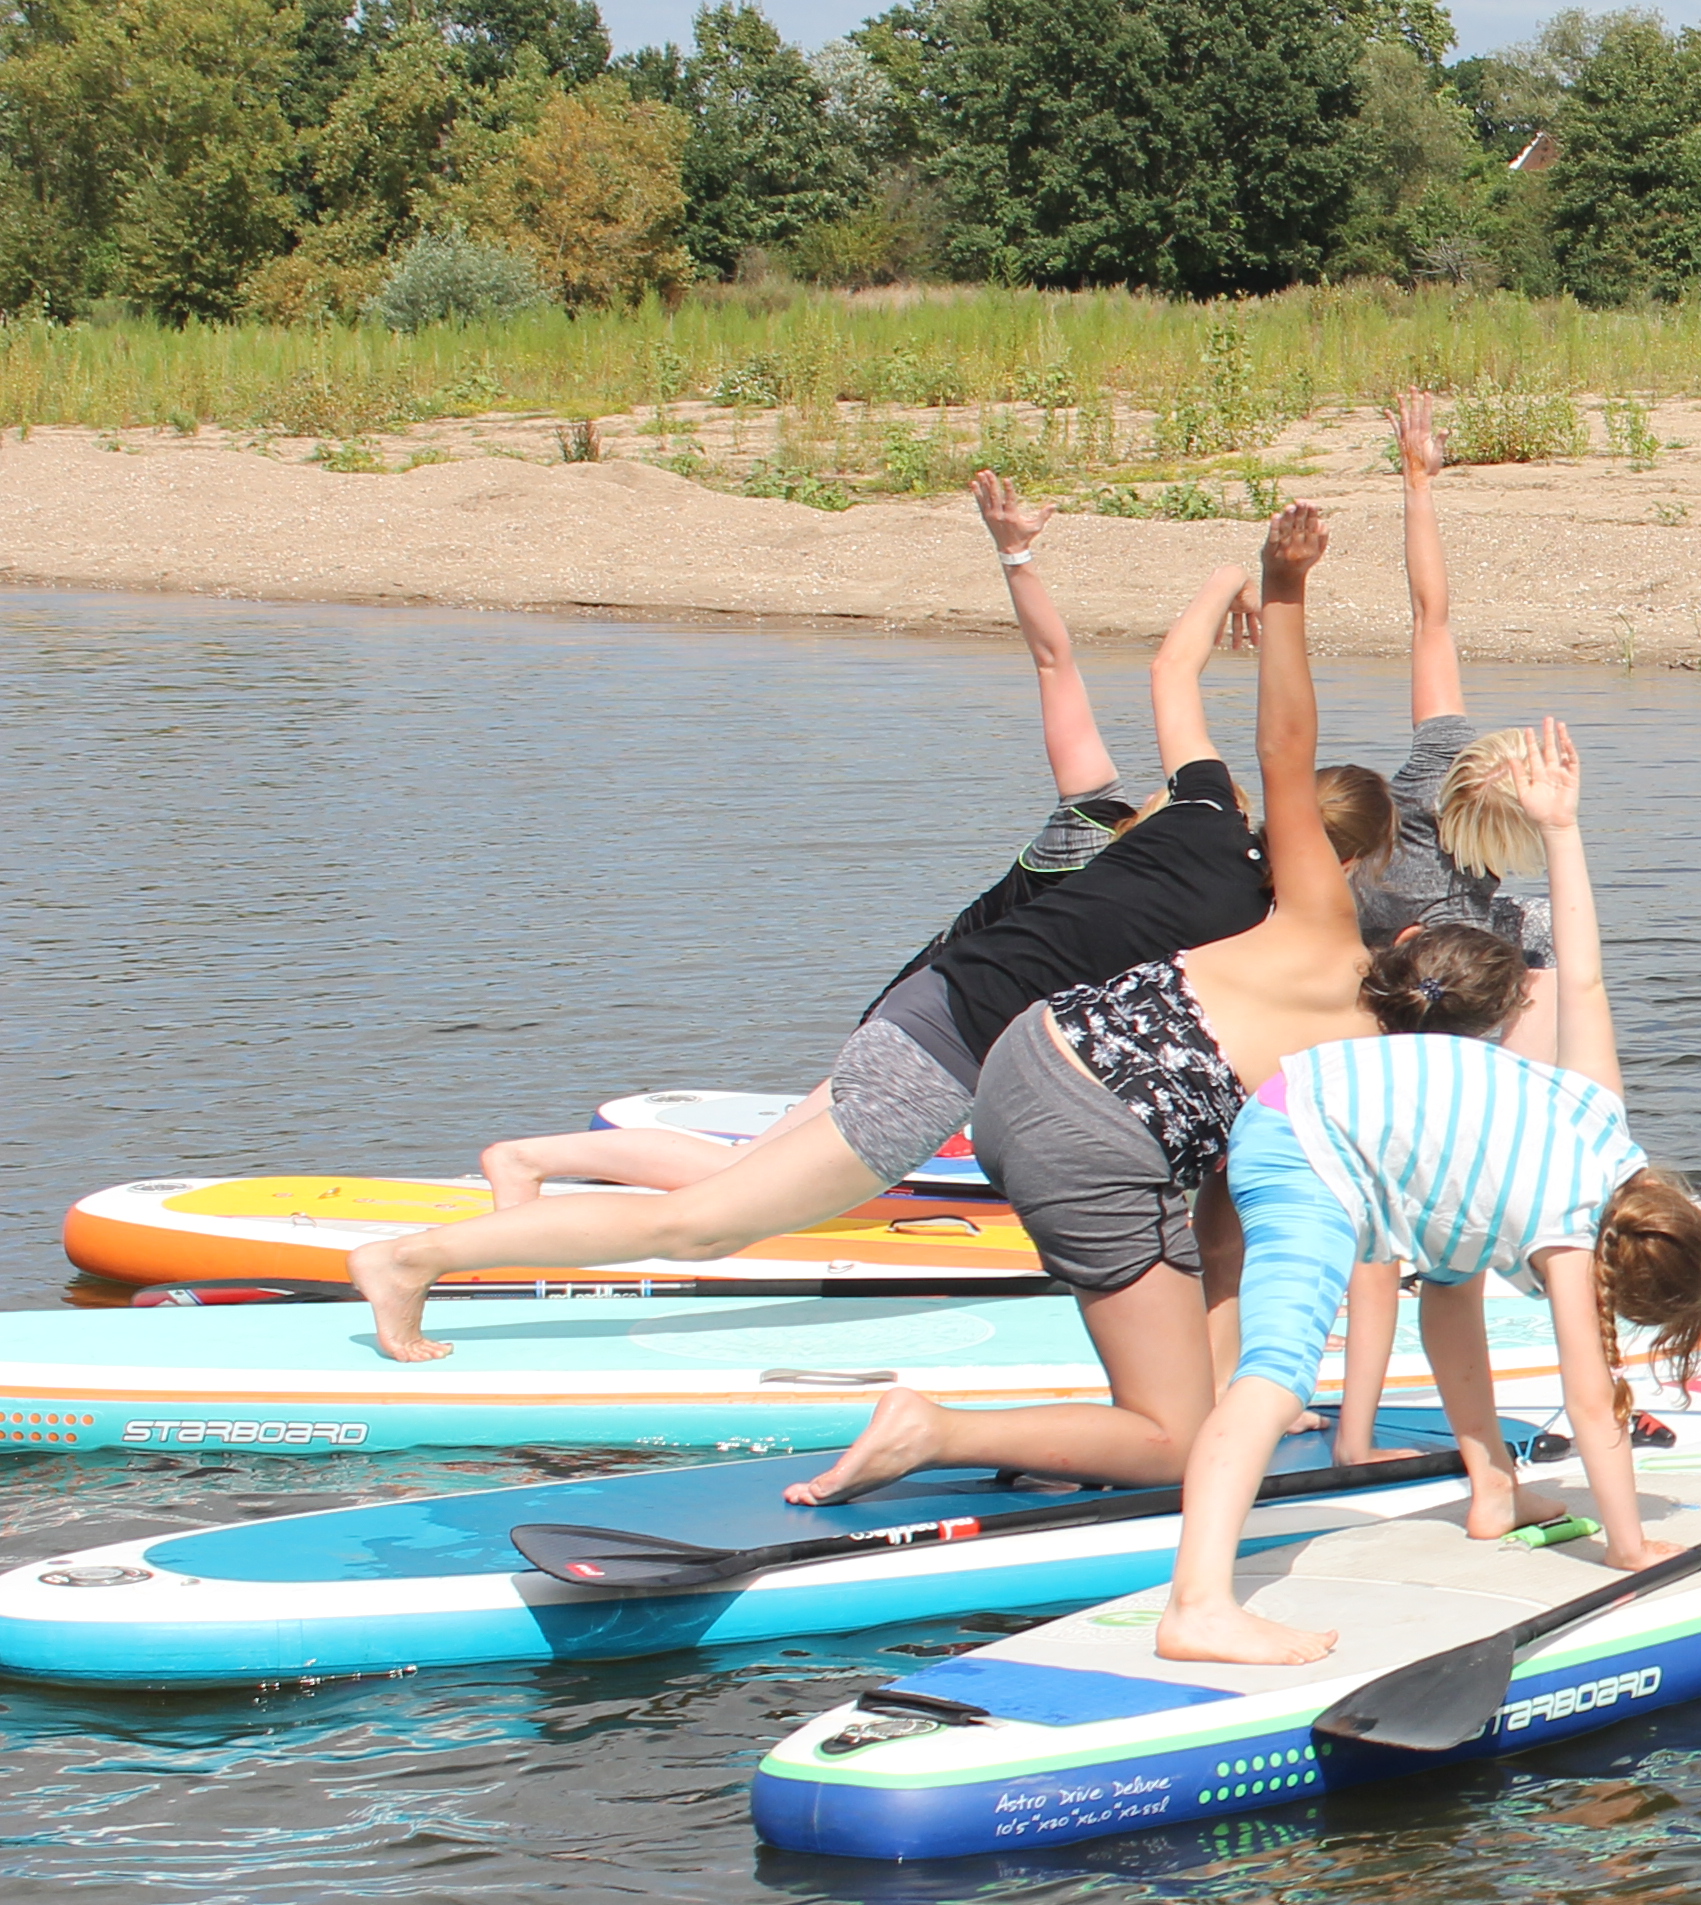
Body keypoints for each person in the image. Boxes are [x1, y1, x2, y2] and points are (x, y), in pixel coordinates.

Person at [353, 515, 1390, 1363]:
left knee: (723, 1194)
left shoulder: (1200, 807)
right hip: (951, 1044)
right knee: (704, 1228)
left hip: (925, 997)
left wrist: (1237, 581)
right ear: (1346, 869)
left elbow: (1173, 668)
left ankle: (487, 1207)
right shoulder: (1272, 930)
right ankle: (417, 1260)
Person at [784, 514, 1588, 1504]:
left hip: (1030, 1050)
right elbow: (1362, 1262)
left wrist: (1284, 588)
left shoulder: (1311, 912)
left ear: (1411, 946)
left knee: (1194, 1378)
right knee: (1177, 1440)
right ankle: (933, 1430)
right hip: (1094, 1135)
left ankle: (1086, 1442)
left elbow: (1285, 744)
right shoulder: (1363, 1079)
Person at [1146, 814, 1701, 1671]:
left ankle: (1491, 1485)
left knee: (1454, 1278)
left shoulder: (1600, 1118)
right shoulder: (1569, 1230)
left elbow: (1587, 984)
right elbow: (1592, 1403)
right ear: (1616, 1286)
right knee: (1275, 1376)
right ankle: (1196, 1605)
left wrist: (1566, 829)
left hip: (1306, 1095)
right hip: (1304, 1140)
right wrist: (1628, 1544)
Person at [471, 472, 1149, 1206]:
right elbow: (1054, 662)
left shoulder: (1117, 832)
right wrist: (1014, 560)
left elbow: (1059, 663)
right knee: (755, 1181)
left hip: (935, 1014)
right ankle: (527, 1160)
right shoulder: (1094, 827)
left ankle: (538, 1163)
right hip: (937, 1024)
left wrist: (1017, 555)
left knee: (766, 1167)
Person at [1345, 385, 1566, 1060]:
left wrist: (1416, 483)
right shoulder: (1463, 919)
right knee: (1549, 928)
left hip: (1342, 949)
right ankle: (1519, 1075)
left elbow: (1429, 619)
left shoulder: (1430, 772)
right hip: (1404, 975)